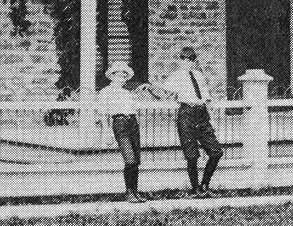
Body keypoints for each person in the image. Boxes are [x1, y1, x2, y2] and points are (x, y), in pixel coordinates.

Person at [150, 46, 224, 198]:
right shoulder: (176, 76)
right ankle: (195, 189)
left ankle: (204, 185)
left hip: (202, 115)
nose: (187, 63)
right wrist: (150, 88)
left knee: (216, 152)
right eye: (184, 60)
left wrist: (213, 120)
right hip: (186, 115)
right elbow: (164, 94)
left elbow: (206, 99)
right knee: (192, 156)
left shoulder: (198, 75)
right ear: (180, 60)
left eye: (190, 60)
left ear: (194, 61)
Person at [96, 60, 146, 203]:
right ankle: (129, 192)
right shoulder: (105, 92)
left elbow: (135, 110)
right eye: (118, 75)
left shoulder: (127, 93)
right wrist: (107, 132)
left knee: (135, 160)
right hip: (119, 124)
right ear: (112, 76)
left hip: (133, 123)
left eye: (124, 76)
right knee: (129, 159)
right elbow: (102, 114)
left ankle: (135, 192)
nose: (122, 78)